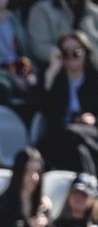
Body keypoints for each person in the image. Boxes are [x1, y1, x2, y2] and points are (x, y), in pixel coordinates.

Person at [40, 31, 98, 174]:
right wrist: (51, 72)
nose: (71, 57)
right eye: (65, 53)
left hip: (90, 132)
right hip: (61, 134)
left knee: (72, 135)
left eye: (76, 52)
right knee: (76, 147)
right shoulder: (56, 80)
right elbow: (39, 107)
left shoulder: (95, 80)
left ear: (86, 53)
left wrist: (93, 119)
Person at [27, 0, 98, 70]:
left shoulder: (94, 12)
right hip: (57, 71)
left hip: (93, 69)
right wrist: (68, 55)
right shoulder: (42, 10)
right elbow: (39, 46)